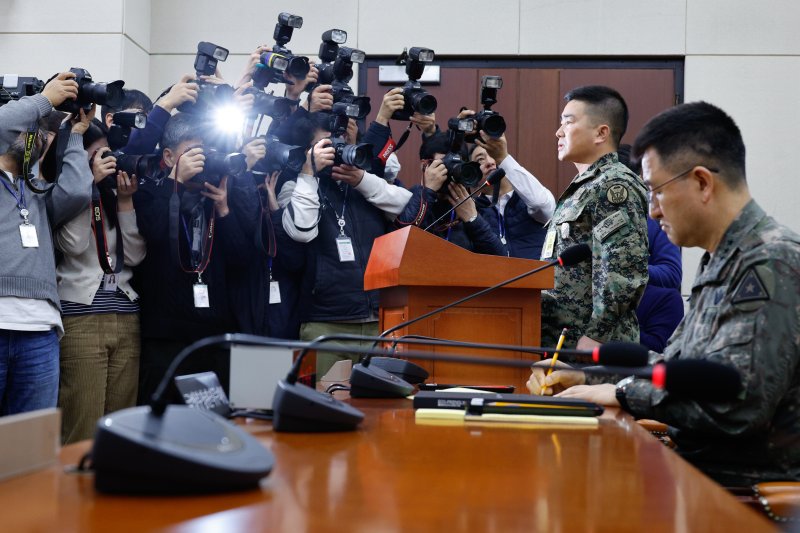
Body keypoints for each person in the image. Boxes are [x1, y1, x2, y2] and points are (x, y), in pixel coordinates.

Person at [529, 101, 800, 487]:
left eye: (656, 192)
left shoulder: (769, 262)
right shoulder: (721, 259)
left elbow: (734, 405)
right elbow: (675, 364)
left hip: (739, 492)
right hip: (696, 476)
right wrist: (586, 378)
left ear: (703, 182)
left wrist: (621, 393)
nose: (652, 212)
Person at [0, 72, 93, 415]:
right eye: (29, 126)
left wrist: (75, 136)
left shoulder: (37, 191)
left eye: (41, 130)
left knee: (28, 447)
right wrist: (45, 100)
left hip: (40, 330)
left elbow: (78, 191)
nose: (34, 132)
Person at [55, 123, 145, 443]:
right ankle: (72, 493)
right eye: (97, 155)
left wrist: (124, 201)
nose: (107, 160)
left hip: (126, 315)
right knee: (83, 424)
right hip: (81, 317)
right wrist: (86, 185)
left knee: (122, 427)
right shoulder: (67, 195)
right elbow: (74, 245)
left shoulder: (113, 196)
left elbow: (133, 256)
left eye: (108, 153)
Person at [540, 85, 649, 349]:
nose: (558, 132)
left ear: (601, 133)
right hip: (561, 341)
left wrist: (597, 334)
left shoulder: (613, 186)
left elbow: (623, 269)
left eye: (568, 122)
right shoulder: (584, 187)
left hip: (591, 347)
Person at [468, 138, 554, 259]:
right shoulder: (471, 211)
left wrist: (502, 157)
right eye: (480, 159)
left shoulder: (529, 197)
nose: (489, 162)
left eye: (493, 155)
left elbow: (540, 205)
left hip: (536, 275)